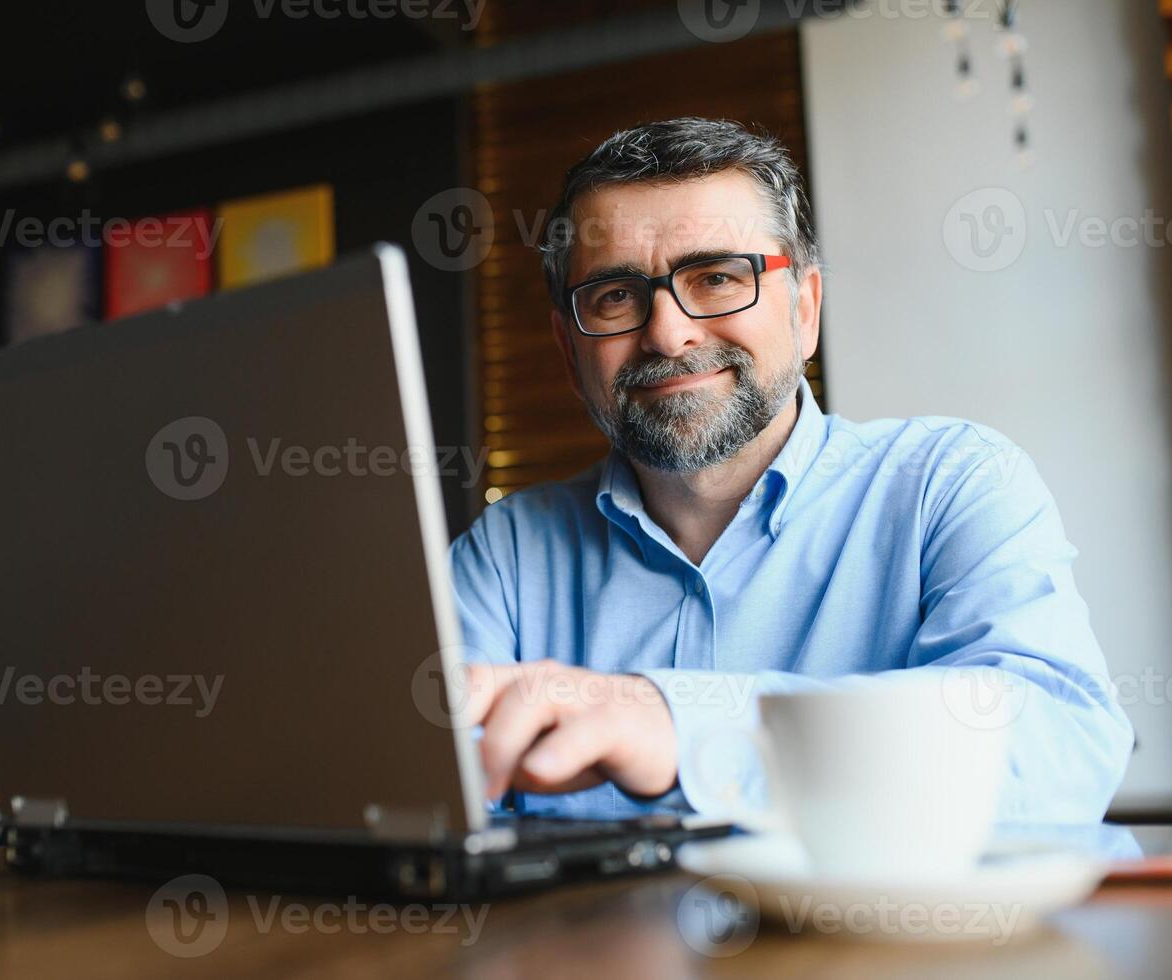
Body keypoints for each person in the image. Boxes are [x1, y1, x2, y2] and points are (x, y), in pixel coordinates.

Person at [449, 117, 1133, 823]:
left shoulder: (950, 484)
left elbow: (1061, 743)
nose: (667, 332)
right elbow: (419, 786)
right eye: (615, 296)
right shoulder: (506, 555)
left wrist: (684, 727)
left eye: (715, 277)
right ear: (568, 349)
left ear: (804, 308)